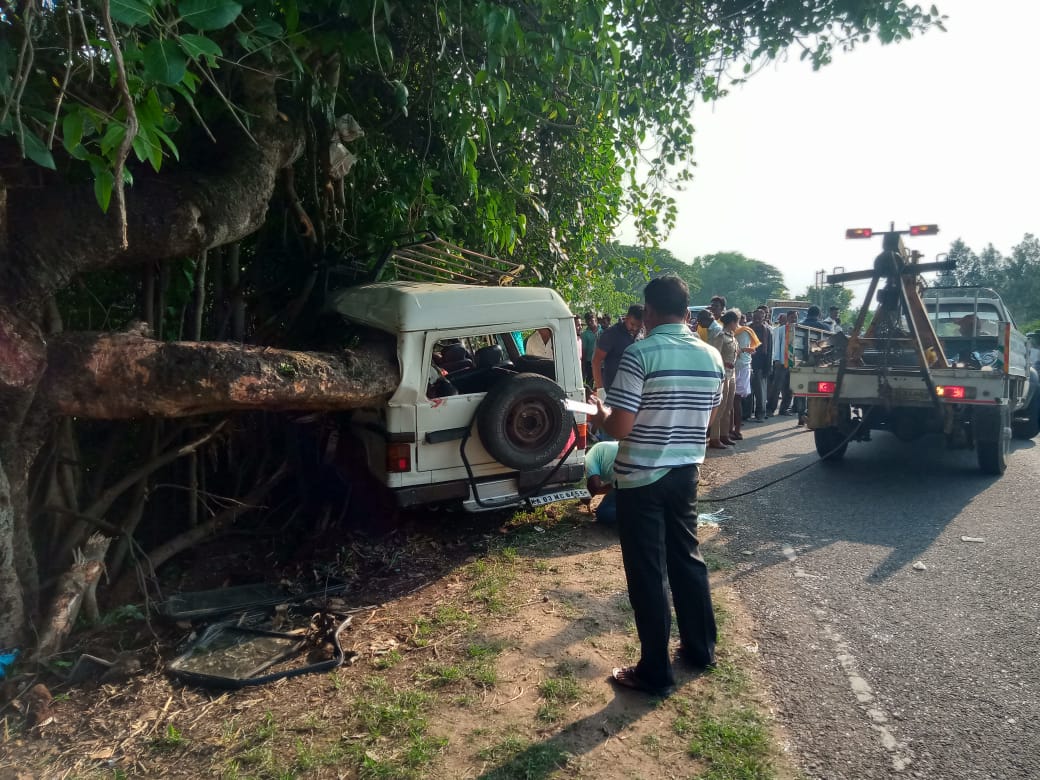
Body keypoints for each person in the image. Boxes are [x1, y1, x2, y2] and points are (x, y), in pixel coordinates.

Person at [588, 274, 723, 697]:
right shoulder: (712, 356)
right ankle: (701, 649)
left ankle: (654, 672)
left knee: (648, 573)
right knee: (687, 559)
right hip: (686, 472)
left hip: (642, 477)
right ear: (687, 313)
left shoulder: (639, 354)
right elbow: (712, 414)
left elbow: (622, 426)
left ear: (647, 311)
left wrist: (599, 415)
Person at [591, 304, 644, 396]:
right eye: (632, 324)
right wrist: (600, 389)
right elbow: (596, 361)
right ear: (626, 318)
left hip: (635, 390)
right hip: (613, 392)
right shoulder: (611, 334)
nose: (635, 328)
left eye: (638, 326)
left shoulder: (643, 335)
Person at [709, 310, 740, 449]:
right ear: (732, 322)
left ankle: (724, 435)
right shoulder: (720, 335)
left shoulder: (733, 337)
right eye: (736, 322)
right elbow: (715, 355)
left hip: (731, 373)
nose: (737, 325)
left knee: (728, 407)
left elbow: (735, 353)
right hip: (723, 374)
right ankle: (714, 438)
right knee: (720, 407)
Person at [584, 440, 619, 524]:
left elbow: (595, 485)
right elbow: (612, 486)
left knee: (603, 513)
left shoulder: (588, 459)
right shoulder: (600, 450)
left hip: (634, 481)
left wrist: (586, 497)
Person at [748, 306, 772, 421]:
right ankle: (746, 414)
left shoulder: (767, 330)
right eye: (755, 317)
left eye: (759, 317)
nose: (757, 319)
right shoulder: (747, 328)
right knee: (747, 391)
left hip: (761, 364)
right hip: (748, 363)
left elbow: (770, 350)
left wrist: (768, 367)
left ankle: (760, 414)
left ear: (764, 318)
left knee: (760, 392)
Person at [581, 312, 600, 386]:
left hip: (602, 362)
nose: (590, 323)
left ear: (595, 320)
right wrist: (584, 364)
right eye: (588, 321)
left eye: (592, 321)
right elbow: (584, 351)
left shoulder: (603, 331)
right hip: (590, 361)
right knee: (590, 381)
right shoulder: (585, 334)